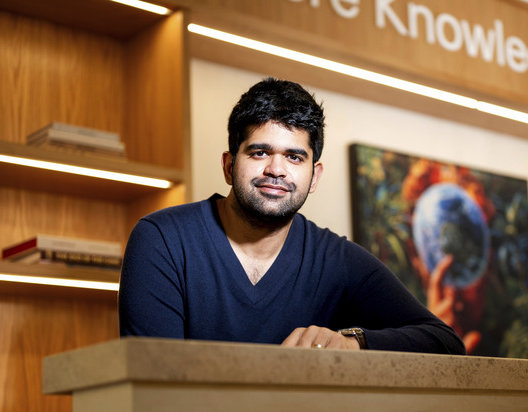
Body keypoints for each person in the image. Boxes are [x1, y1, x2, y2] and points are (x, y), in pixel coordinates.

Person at [118, 77, 464, 355]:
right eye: (259, 152)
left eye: (295, 157)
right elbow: (153, 382)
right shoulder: (163, 240)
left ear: (314, 177)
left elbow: (444, 341)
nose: (276, 170)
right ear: (228, 165)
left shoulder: (337, 261)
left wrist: (351, 342)